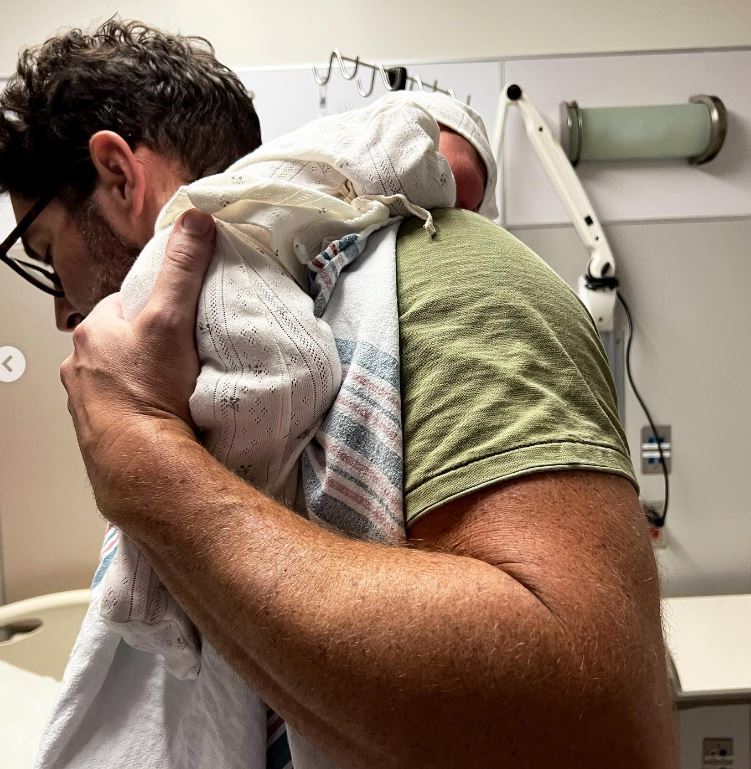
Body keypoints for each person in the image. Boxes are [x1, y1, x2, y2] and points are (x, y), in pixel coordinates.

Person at [0, 19, 679, 769]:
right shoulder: (207, 392)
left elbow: (596, 727)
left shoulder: (444, 280)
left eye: (45, 251)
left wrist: (144, 460)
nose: (64, 310)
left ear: (119, 175)